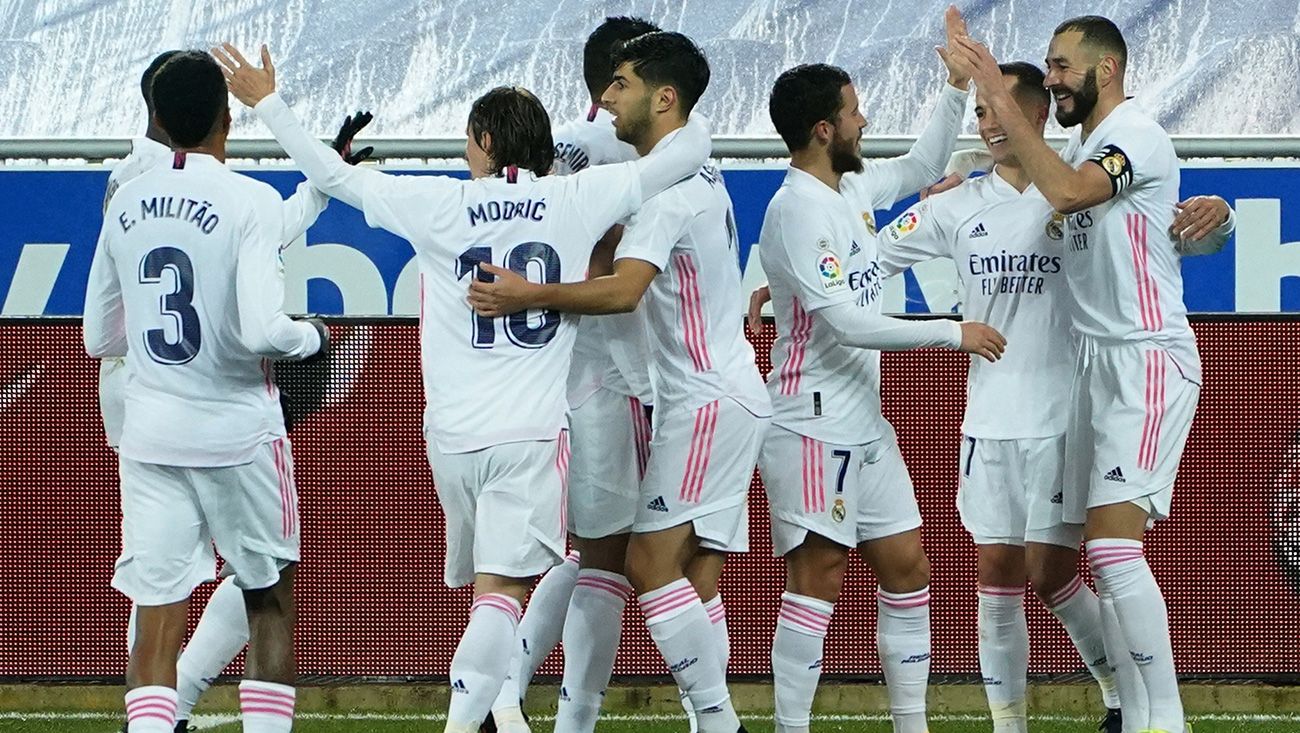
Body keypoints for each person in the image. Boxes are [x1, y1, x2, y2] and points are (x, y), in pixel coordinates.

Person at [214, 40, 711, 733]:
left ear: (481, 140)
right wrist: (674, 89)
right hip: (532, 435)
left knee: (488, 597)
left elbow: (331, 171)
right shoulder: (576, 196)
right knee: (500, 597)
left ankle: (479, 717)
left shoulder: (437, 204)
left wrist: (267, 99)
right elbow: (687, 155)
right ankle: (465, 722)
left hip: (450, 438)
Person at [872, 61, 1234, 733]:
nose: (985, 121)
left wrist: (1224, 218)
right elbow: (867, 261)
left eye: (997, 107)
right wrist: (804, 276)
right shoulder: (955, 204)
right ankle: (1016, 723)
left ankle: (1130, 702)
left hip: (1072, 410)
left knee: (1065, 567)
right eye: (979, 111)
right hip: (990, 416)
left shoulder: (1080, 187)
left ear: (1034, 114)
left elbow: (1177, 238)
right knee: (1001, 572)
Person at [467, 31, 766, 733]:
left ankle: (712, 720)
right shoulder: (681, 162)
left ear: (660, 97)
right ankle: (540, 706)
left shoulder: (662, 185)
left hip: (683, 393)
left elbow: (621, 286)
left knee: (642, 560)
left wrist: (527, 294)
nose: (609, 99)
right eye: (611, 82)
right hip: (687, 390)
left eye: (622, 84)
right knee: (656, 560)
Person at [950, 14, 1214, 733]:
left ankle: (1164, 720)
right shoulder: (1086, 145)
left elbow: (1066, 194)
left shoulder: (1134, 135)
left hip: (1145, 358)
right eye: (1048, 65)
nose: (1054, 76)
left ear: (1105, 70)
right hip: (1094, 370)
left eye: (1062, 66)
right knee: (1074, 561)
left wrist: (993, 91)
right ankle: (1135, 713)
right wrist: (972, 176)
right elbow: (1051, 196)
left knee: (1113, 548)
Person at [103, 51, 370, 733]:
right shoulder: (245, 196)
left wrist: (321, 179)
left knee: (158, 607)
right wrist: (311, 335)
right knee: (269, 598)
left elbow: (96, 336)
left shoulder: (124, 195)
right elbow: (261, 328)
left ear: (156, 116)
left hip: (152, 430)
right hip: (236, 430)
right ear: (229, 117)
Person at [753, 40, 1015, 731]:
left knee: (908, 566)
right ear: (823, 130)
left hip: (864, 421)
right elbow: (844, 321)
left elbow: (925, 165)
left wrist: (956, 87)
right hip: (811, 422)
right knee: (819, 579)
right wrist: (950, 330)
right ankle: (791, 727)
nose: (863, 122)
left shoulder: (848, 188)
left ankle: (910, 723)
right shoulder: (797, 210)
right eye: (854, 112)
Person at [485, 16, 665, 733]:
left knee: (601, 551)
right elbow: (597, 259)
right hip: (602, 367)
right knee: (602, 552)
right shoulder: (610, 150)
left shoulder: (568, 146)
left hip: (586, 367)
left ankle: (518, 699)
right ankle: (521, 702)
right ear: (615, 78)